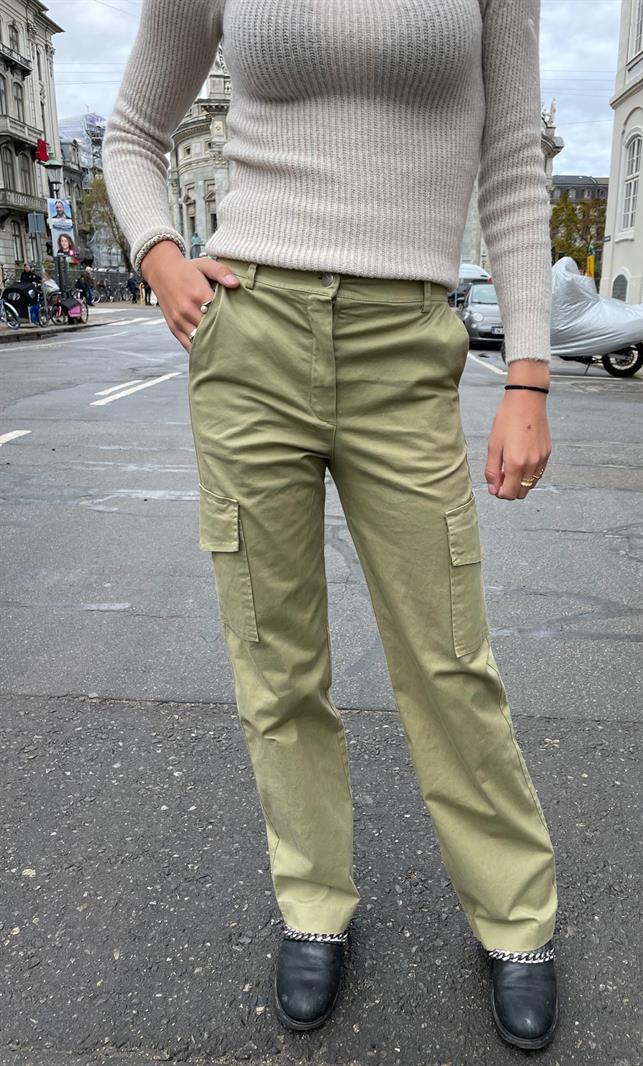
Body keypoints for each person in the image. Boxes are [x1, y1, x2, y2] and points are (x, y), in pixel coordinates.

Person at [102, 0, 559, 1050]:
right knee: (275, 657)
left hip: (406, 342)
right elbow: (132, 129)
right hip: (249, 333)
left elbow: (510, 160)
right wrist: (159, 255)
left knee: (448, 656)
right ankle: (312, 902)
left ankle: (515, 915)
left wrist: (528, 374)